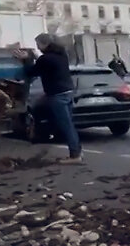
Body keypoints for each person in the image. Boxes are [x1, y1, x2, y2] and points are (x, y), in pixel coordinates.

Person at [13, 33, 82, 164]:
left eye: (38, 44)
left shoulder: (45, 59)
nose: (38, 47)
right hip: (68, 91)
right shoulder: (61, 55)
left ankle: (75, 156)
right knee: (69, 124)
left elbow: (31, 72)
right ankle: (77, 152)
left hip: (57, 94)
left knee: (66, 125)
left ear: (44, 44)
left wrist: (26, 60)